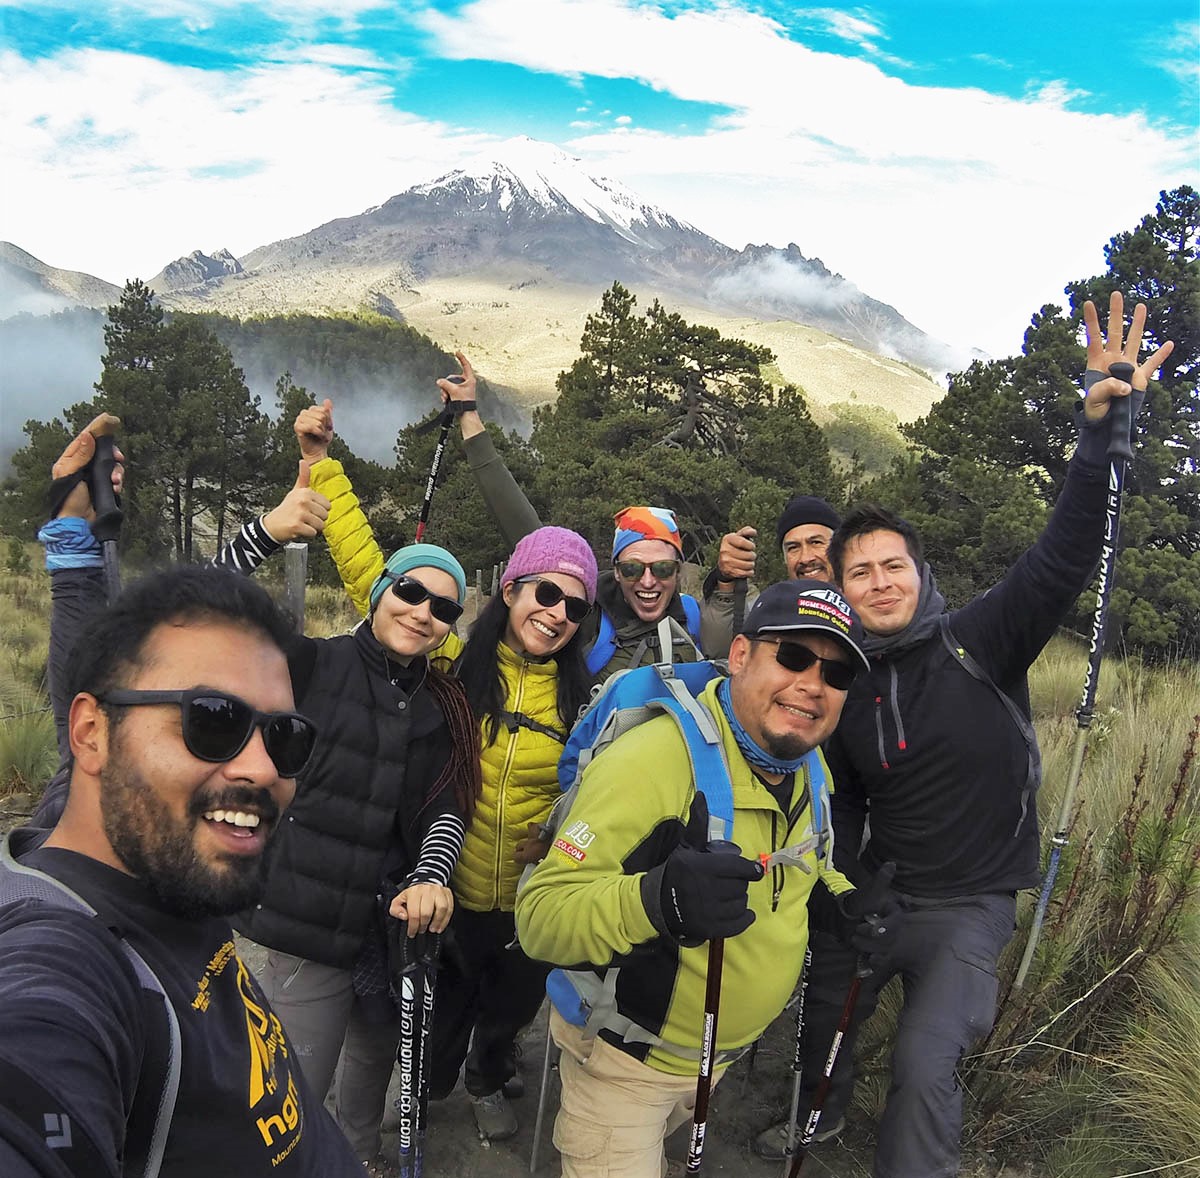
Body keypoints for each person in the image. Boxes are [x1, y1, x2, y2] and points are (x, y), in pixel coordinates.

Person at [756, 293, 1174, 1178]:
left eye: (891, 567)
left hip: (969, 908)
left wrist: (1098, 433)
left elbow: (1062, 555)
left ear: (920, 574)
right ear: (842, 585)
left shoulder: (983, 636)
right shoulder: (838, 677)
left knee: (923, 1064)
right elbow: (848, 798)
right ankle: (817, 1115)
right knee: (825, 1003)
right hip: (881, 893)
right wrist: (850, 889)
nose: (876, 582)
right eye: (858, 571)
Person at [514, 579, 900, 1178]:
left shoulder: (808, 764)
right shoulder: (651, 763)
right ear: (741, 655)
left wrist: (841, 905)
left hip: (711, 1060)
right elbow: (541, 918)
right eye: (793, 657)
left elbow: (809, 864)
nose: (812, 685)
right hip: (623, 1064)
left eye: (837, 673)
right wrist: (656, 899)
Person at [290, 398, 601, 1142]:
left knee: (510, 1008)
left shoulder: (584, 698)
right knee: (445, 1007)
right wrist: (322, 469)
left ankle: (492, 1078)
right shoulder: (457, 664)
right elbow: (377, 573)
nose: (555, 614)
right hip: (448, 884)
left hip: (528, 897)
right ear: (514, 591)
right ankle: (428, 1088)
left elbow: (597, 791)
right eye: (544, 593)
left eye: (573, 606)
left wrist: (559, 841)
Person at [0, 558, 364, 1176]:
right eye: (211, 721)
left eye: (285, 738)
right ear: (91, 735)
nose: (264, 770)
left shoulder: (153, 850)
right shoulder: (62, 957)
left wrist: (76, 551)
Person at [208, 466, 482, 1176]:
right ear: (381, 588)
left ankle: (358, 1161)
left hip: (389, 935)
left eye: (443, 608)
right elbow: (210, 605)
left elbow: (443, 808)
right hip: (303, 925)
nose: (422, 612)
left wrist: (431, 872)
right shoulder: (311, 665)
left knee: (369, 1067)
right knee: (288, 1090)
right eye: (411, 590)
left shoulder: (438, 707)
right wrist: (264, 532)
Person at [427, 354, 707, 679]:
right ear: (615, 571)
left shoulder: (693, 617)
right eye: (631, 568)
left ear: (679, 570)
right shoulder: (584, 614)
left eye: (662, 568)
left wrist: (729, 582)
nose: (647, 581)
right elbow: (522, 527)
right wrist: (469, 416)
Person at [700, 494, 841, 660]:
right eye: (793, 547)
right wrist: (726, 582)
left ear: (840, 548)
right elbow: (721, 651)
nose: (805, 558)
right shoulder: (771, 613)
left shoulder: (866, 603)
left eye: (816, 542)